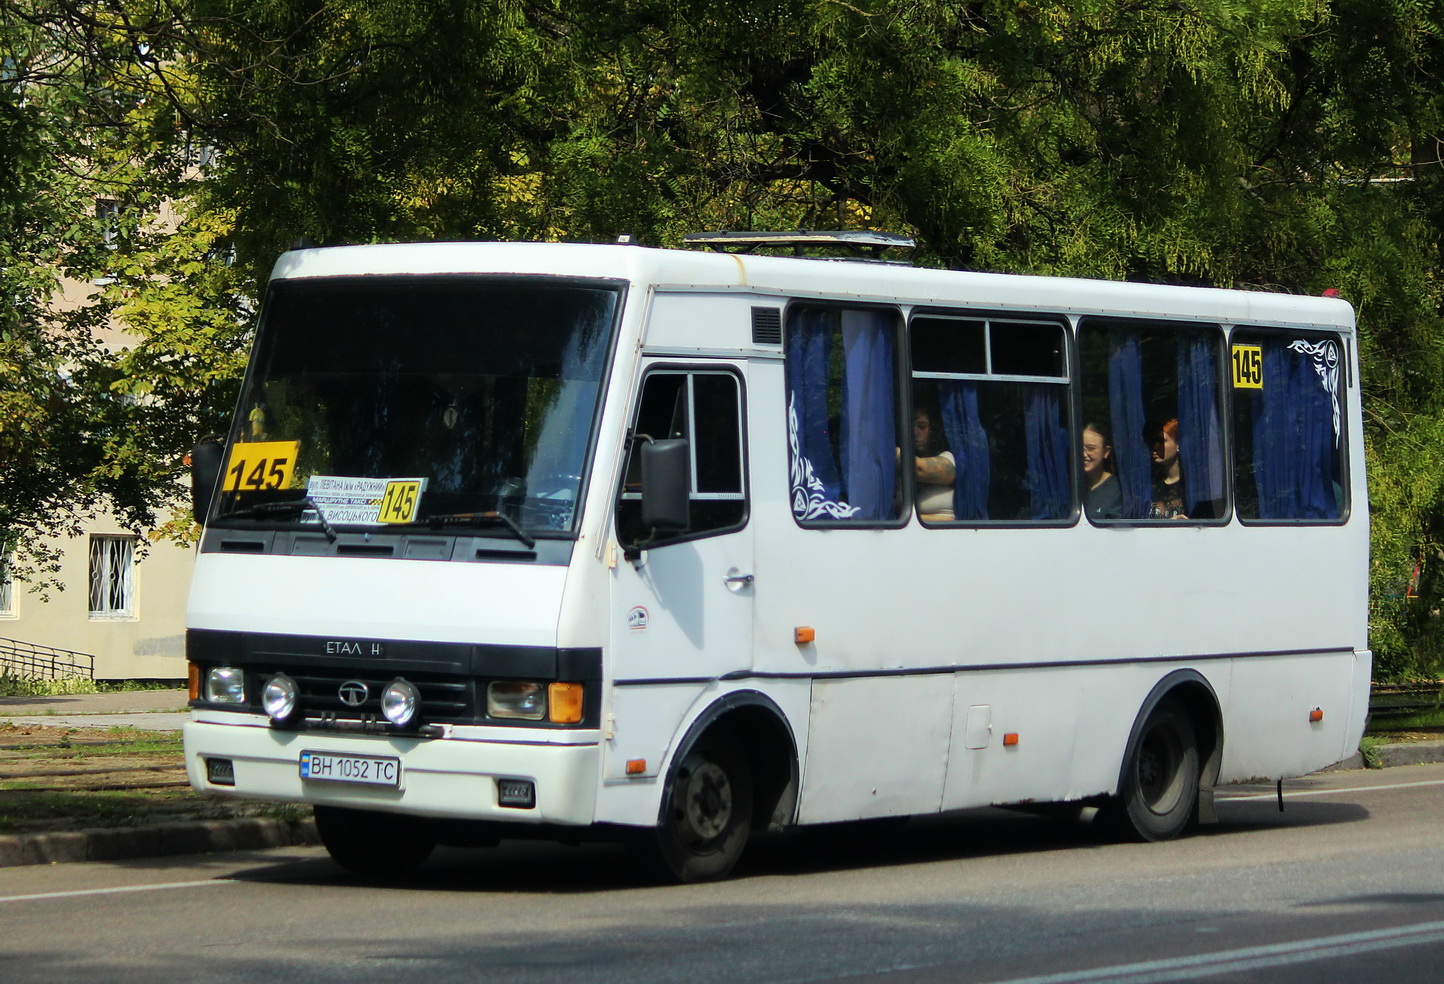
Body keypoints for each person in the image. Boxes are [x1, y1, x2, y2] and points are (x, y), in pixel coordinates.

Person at [910, 407, 956, 521]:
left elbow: (920, 469)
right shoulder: (898, 472)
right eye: (909, 426)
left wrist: (888, 450)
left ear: (933, 430)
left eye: (921, 426)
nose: (914, 432)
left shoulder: (950, 458)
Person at [1147, 418, 1188, 519]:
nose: (1156, 447)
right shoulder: (1150, 485)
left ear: (1178, 444)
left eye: (1162, 441)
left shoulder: (1190, 485)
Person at [1082, 422, 1122, 520]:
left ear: (1106, 452)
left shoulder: (1117, 489)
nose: (1084, 454)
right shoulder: (1071, 488)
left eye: (1090, 449)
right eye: (1079, 448)